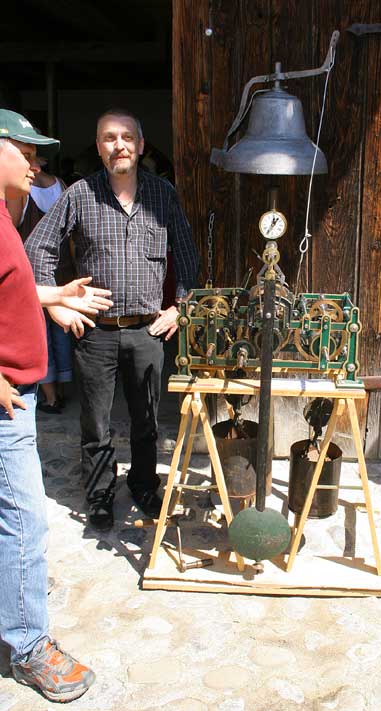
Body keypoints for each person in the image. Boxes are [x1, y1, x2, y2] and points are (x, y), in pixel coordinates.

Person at [26, 108, 200, 531]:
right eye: (108, 137)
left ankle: (143, 486)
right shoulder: (79, 195)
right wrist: (57, 306)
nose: (118, 145)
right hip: (96, 334)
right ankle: (100, 495)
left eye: (126, 137)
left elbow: (189, 255)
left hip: (147, 331)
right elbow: (36, 251)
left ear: (141, 146)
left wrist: (179, 305)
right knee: (96, 424)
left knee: (146, 421)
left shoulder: (163, 195)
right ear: (99, 147)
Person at [0, 109, 113, 701]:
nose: (37, 163)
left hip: (15, 395)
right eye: (26, 151)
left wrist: (50, 294)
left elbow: (7, 286)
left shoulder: (2, 217)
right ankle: (27, 646)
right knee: (24, 519)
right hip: (6, 404)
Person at [7, 159, 73, 414]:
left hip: (31, 268)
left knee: (40, 332)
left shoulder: (22, 189)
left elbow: (11, 224)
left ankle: (51, 396)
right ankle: (63, 386)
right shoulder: (61, 186)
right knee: (62, 329)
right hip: (62, 266)